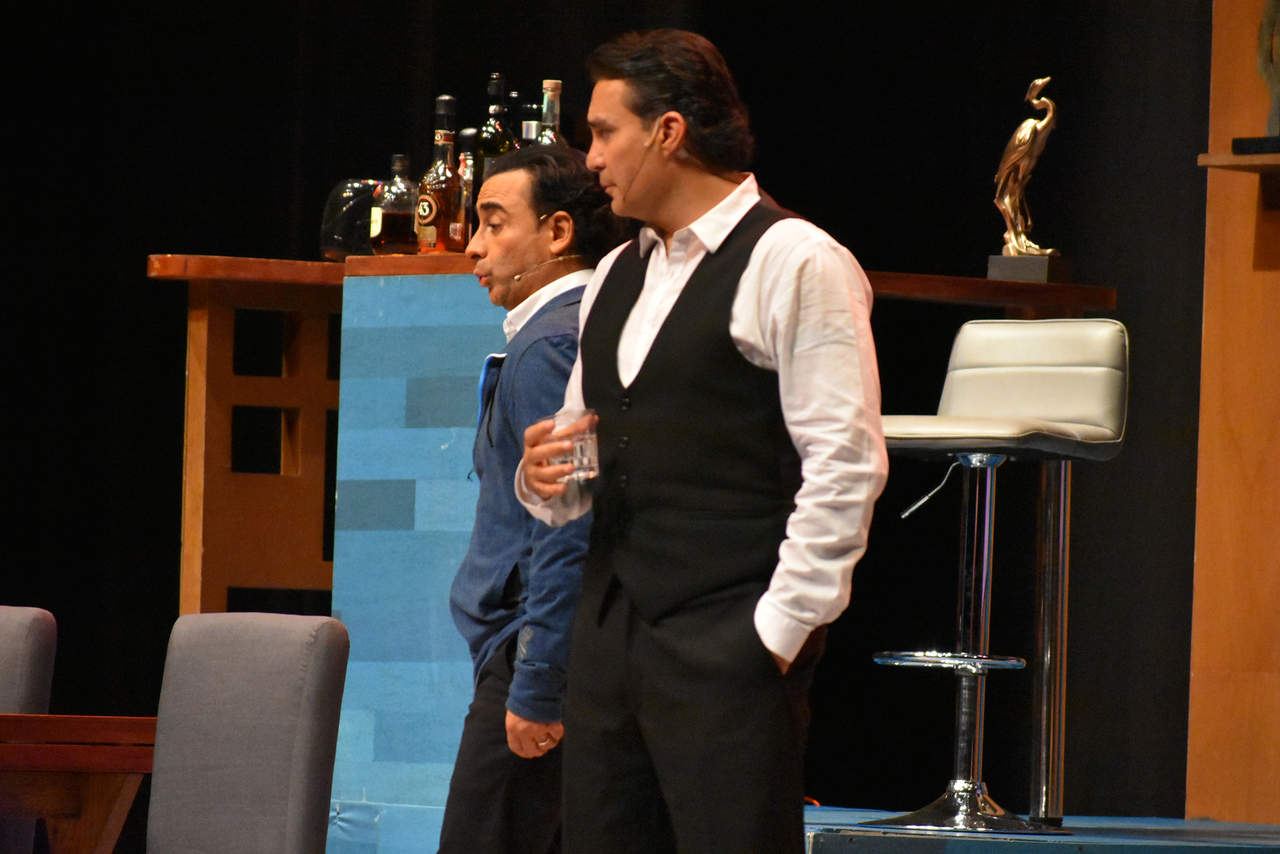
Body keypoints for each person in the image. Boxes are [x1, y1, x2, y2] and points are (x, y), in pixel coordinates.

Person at [517, 30, 889, 854]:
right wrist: (549, 480)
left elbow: (845, 464)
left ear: (669, 131)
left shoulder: (794, 260)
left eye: (604, 131)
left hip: (726, 638)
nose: (590, 158)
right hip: (608, 642)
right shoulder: (614, 274)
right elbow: (590, 454)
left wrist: (776, 635)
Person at [439, 143, 627, 854]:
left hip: (531, 649)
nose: (474, 246)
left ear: (558, 232)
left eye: (494, 224)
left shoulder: (551, 345)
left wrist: (538, 678)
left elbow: (567, 519)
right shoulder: (566, 333)